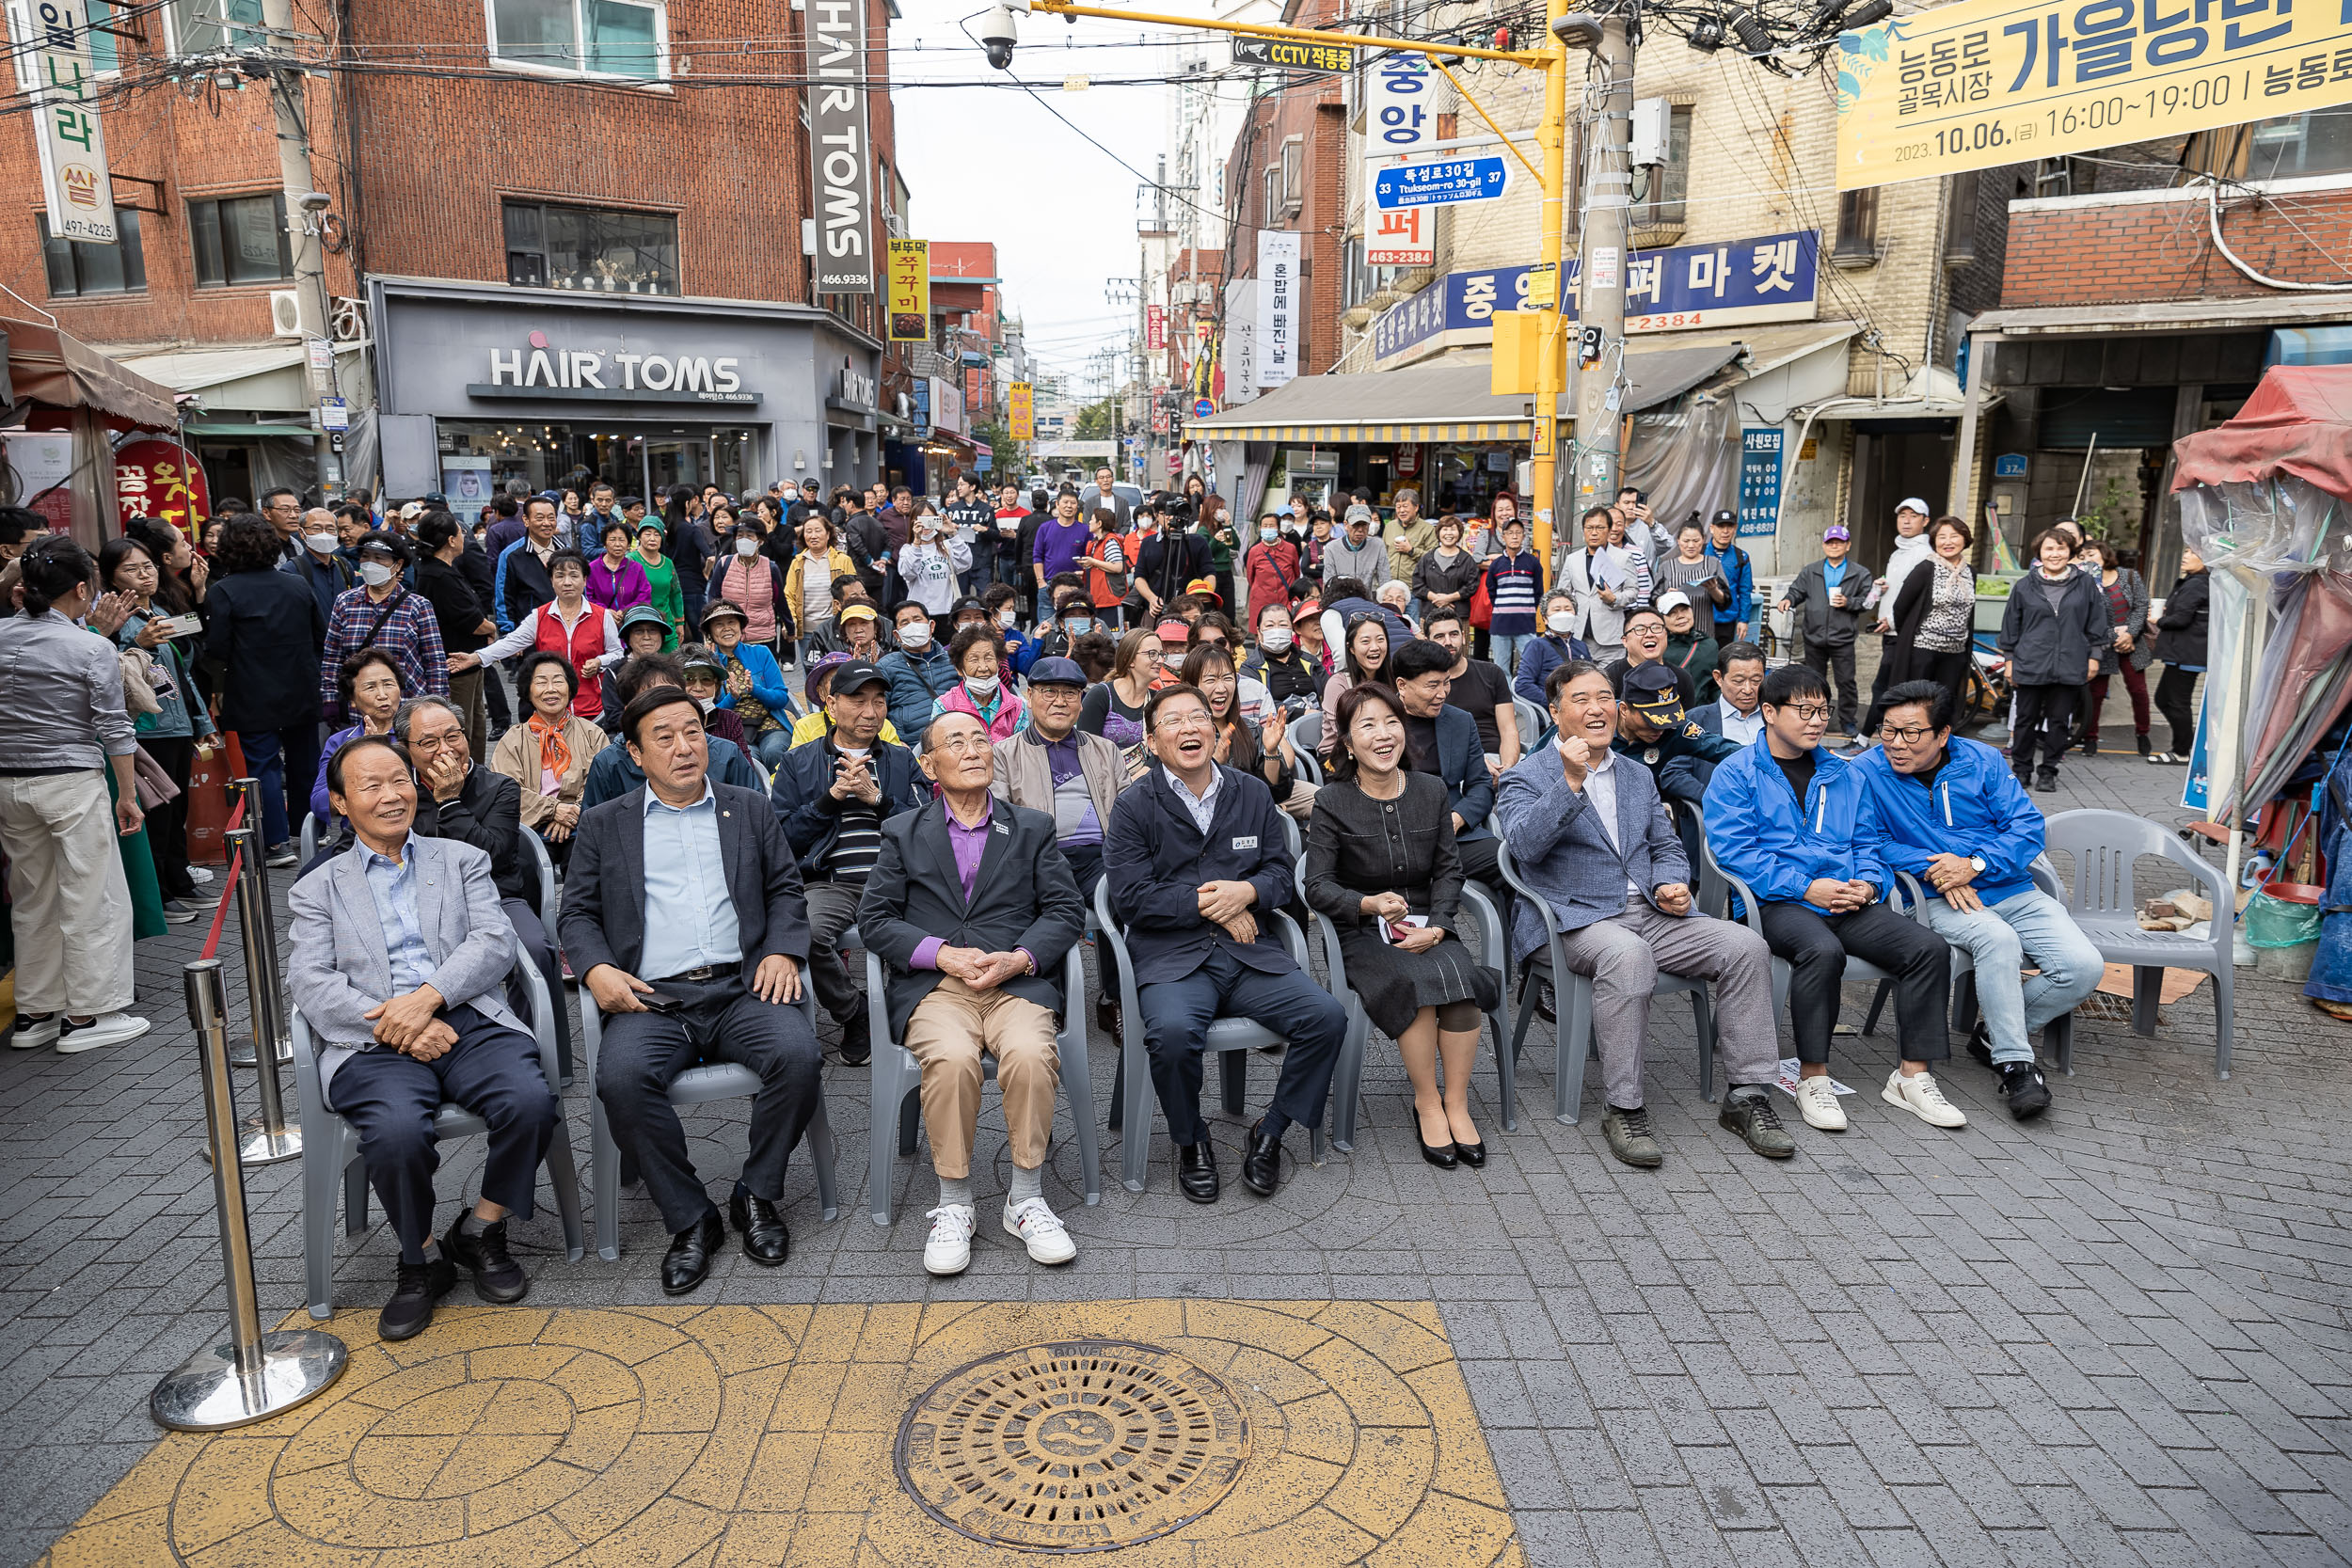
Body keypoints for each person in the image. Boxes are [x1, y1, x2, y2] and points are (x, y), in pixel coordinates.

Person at [285, 736, 560, 1339]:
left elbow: (493, 943)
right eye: (371, 786)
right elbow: (310, 980)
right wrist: (397, 1022)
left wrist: (426, 1000)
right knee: (398, 1131)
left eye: (399, 781)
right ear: (340, 803)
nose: (391, 796)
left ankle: (483, 1226)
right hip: (371, 1035)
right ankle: (421, 1258)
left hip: (464, 1013)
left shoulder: (459, 859)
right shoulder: (317, 886)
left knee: (531, 1101)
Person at [561, 685, 825, 1294]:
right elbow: (575, 914)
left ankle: (756, 1193)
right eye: (665, 736)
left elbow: (787, 888)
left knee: (799, 1055)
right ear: (634, 752)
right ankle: (690, 1216)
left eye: (693, 732)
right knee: (620, 1078)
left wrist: (783, 948)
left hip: (741, 986)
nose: (685, 747)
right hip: (652, 997)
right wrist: (597, 967)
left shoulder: (747, 807)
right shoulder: (605, 824)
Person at [1493, 662, 1791, 1166]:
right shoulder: (1526, 775)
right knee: (1628, 955)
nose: (1596, 708)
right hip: (1573, 919)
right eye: (1581, 699)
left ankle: (1747, 1094)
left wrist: (1669, 882)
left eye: (1605, 697)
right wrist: (1570, 781)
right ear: (1555, 710)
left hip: (1649, 912)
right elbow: (1525, 847)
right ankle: (1623, 1105)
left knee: (1746, 946)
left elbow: (1666, 845)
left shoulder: (1635, 774)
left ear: (1619, 707)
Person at [857, 709, 1087, 1275]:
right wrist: (940, 953)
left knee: (1032, 1053)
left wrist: (1020, 958)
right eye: (954, 742)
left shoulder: (1031, 827)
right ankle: (955, 1201)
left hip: (1016, 982)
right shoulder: (903, 832)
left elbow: (1065, 909)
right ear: (929, 763)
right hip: (937, 985)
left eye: (980, 739)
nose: (972, 749)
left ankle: (1025, 1196)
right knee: (954, 1058)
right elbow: (876, 919)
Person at [1104, 684, 1350, 1202]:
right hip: (1174, 959)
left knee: (1326, 1017)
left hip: (1248, 952)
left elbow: (1283, 875)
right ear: (1151, 741)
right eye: (1172, 721)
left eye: (1198, 717)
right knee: (1170, 1036)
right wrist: (1209, 903)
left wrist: (1249, 891)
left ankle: (1272, 1131)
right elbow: (1130, 898)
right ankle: (1192, 1141)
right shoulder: (1133, 806)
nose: (1188, 728)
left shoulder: (1252, 792)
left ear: (1215, 731)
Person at [1703, 663, 1964, 1132]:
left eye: (1822, 710)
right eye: (1803, 710)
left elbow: (1867, 844)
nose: (1816, 720)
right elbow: (1738, 855)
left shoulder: (1843, 774)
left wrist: (1869, 884)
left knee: (1927, 948)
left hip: (1844, 899)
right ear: (1769, 712)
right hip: (1774, 904)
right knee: (1822, 952)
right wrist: (1805, 887)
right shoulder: (1737, 773)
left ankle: (1912, 1076)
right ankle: (1813, 1077)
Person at [1859, 680, 2104, 1119]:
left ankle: (1992, 1034)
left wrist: (1973, 865)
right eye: (1887, 730)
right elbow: (1869, 842)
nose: (1896, 744)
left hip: (2009, 887)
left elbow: (2027, 828)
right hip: (1931, 895)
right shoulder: (1865, 771)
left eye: (1911, 733)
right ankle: (2015, 1066)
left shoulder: (1985, 761)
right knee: (1998, 940)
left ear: (1943, 733)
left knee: (2083, 967)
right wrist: (1940, 869)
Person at [1304, 682, 1502, 1165]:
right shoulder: (1332, 801)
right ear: (1349, 743)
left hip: (1427, 923)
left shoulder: (1431, 791)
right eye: (1367, 725)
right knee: (1414, 980)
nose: (1384, 734)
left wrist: (1438, 925)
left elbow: (1448, 869)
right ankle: (1427, 1101)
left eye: (1391, 721)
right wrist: (1367, 903)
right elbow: (1318, 886)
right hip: (1364, 930)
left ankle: (1456, 1102)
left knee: (1461, 979)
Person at [0, 536, 151, 1053]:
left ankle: (35, 1012)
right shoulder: (91, 647)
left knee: (32, 897)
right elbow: (114, 728)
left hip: (10, 783)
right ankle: (89, 1015)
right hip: (70, 780)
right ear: (83, 587)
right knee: (93, 897)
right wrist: (127, 794)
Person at [398, 693, 574, 1075]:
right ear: (407, 749)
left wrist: (448, 803)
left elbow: (492, 855)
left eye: (453, 736)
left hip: (496, 896)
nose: (445, 750)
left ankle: (543, 1057)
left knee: (535, 948)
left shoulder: (499, 787)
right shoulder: (399, 791)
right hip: (419, 900)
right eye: (429, 743)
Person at [771, 658, 926, 1065]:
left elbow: (925, 827)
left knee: (932, 929)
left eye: (879, 702)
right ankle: (855, 1014)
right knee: (807, 934)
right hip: (831, 881)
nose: (870, 712)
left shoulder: (899, 759)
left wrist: (877, 799)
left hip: (896, 877)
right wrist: (831, 799)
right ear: (831, 704)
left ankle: (904, 1012)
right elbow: (782, 837)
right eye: (857, 701)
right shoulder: (798, 761)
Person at [100, 535, 217, 917]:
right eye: (131, 569)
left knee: (178, 808)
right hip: (146, 729)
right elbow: (106, 669)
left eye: (147, 566)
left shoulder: (163, 610)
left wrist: (201, 720)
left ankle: (180, 881)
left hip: (179, 724)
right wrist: (139, 643)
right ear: (112, 577)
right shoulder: (110, 622)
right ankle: (160, 894)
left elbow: (184, 675)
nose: (144, 575)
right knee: (157, 815)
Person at [993, 656, 1124, 901]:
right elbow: (1000, 820)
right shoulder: (1004, 754)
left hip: (1101, 859)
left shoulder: (1105, 750)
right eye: (1049, 692)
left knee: (1126, 894)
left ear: (1081, 701)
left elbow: (1129, 811)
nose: (1060, 702)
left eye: (1070, 693)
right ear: (1029, 697)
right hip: (1039, 860)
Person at [453, 548, 624, 723]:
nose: (567, 582)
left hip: (593, 711)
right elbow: (512, 642)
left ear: (585, 580)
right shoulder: (540, 616)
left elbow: (618, 654)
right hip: (551, 710)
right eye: (559, 576)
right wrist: (475, 658)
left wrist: (599, 662)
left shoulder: (602, 616)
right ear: (551, 581)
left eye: (574, 575)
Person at [1998, 528, 2108, 792]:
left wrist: (2094, 656)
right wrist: (2010, 660)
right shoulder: (2025, 585)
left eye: (2061, 548)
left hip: (2070, 662)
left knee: (2060, 721)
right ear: (2040, 553)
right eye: (2049, 549)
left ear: (2070, 552)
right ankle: (2022, 770)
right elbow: (2010, 626)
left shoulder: (2085, 584)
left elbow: (2097, 623)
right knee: (2025, 720)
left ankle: (2048, 771)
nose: (2055, 554)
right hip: (2030, 662)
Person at [1387, 638, 1502, 885]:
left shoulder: (1460, 721)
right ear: (1402, 685)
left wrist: (1458, 817)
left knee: (1509, 863)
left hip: (1455, 836)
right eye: (1432, 685)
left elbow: (1481, 784)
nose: (1442, 694)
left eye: (1446, 682)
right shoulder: (1380, 722)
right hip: (1396, 839)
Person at [580, 653, 766, 806]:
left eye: (674, 696)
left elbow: (757, 817)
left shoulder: (726, 754)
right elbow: (596, 834)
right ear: (629, 711)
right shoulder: (609, 763)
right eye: (653, 701)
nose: (667, 707)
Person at [489, 650, 608, 866]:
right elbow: (506, 790)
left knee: (587, 863)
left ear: (569, 687)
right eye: (541, 682)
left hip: (583, 824)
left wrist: (572, 815)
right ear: (529, 690)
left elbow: (601, 783)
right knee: (525, 867)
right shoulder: (513, 739)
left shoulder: (593, 733)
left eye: (558, 681)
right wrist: (553, 810)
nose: (550, 689)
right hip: (530, 826)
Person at [1181, 641, 1314, 824]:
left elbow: (1275, 788)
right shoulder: (1183, 735)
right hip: (1211, 822)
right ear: (1192, 686)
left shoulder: (1249, 729)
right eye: (1211, 680)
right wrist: (1213, 765)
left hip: (1255, 812)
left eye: (1228, 678)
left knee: (1326, 803)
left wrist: (1271, 751)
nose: (1221, 688)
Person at [319, 533, 447, 716]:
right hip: (360, 711)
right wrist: (330, 699)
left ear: (398, 565)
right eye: (365, 556)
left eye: (379, 558)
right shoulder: (345, 602)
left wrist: (437, 707)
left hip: (407, 710)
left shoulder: (418, 606)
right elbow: (332, 657)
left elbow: (435, 663)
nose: (370, 563)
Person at [1877, 515, 1978, 737]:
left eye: (1954, 536)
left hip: (1955, 652)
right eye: (1941, 537)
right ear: (1933, 541)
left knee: (1945, 703)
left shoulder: (1970, 572)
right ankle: (1912, 743)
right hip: (1923, 649)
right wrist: (1909, 636)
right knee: (1918, 703)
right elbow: (1900, 606)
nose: (1948, 541)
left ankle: (1941, 747)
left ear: (1965, 539)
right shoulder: (1925, 569)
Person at [1776, 524, 1870, 744]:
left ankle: (1848, 721)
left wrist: (1849, 602)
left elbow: (1868, 600)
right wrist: (1788, 599)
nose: (1834, 546)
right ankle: (1812, 715)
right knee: (1812, 681)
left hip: (1843, 637)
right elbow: (1797, 590)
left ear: (1847, 545)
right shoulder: (1811, 570)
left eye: (1839, 542)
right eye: (1830, 542)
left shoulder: (1859, 573)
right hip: (1814, 635)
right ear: (1824, 545)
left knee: (1846, 681)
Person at [414, 513, 498, 756]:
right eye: (460, 533)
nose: (464, 537)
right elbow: (471, 620)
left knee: (476, 728)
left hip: (470, 661)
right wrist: (491, 629)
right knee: (462, 733)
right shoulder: (437, 576)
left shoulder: (445, 569)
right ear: (451, 540)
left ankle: (477, 782)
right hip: (456, 665)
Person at [310, 648, 410, 843]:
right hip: (358, 840)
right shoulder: (340, 742)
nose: (382, 695)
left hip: (417, 832)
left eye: (389, 684)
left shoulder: (418, 734)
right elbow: (320, 803)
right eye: (370, 687)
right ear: (353, 701)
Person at [1422, 608, 1520, 780]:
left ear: (1464, 636)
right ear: (1426, 642)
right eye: (1439, 637)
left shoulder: (1492, 673)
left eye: (1453, 634)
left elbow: (1509, 730)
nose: (1448, 642)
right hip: (1449, 763)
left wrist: (1507, 770)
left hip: (1496, 758)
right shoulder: (1421, 683)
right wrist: (1476, 764)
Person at [2080, 540, 2153, 758]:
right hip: (2101, 644)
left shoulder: (2128, 576)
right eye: (2082, 557)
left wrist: (2130, 633)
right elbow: (2087, 616)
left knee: (2138, 691)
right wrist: (2114, 637)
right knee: (2096, 694)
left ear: (2104, 554)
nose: (2087, 559)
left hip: (2132, 642)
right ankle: (2089, 737)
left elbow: (2141, 604)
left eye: (2091, 554)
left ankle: (2143, 734)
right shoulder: (2084, 582)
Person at [1870, 497, 1937, 708]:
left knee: (1886, 686)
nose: (1906, 521)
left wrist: (1892, 619)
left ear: (1926, 521)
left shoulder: (1925, 554)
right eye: (1902, 516)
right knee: (1889, 684)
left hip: (1904, 631)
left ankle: (1869, 735)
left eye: (1913, 516)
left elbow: (1918, 597)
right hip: (1890, 630)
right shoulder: (1898, 552)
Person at [2149, 546, 2209, 765]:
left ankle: (2182, 751)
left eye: (2193, 553)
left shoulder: (2198, 584)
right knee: (2164, 699)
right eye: (2184, 551)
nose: (2185, 556)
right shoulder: (2192, 581)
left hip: (2187, 654)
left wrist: (2159, 621)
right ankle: (2185, 746)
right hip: (2180, 652)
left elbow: (2181, 618)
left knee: (2176, 702)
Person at [707, 509, 787, 655]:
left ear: (760, 541)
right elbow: (713, 599)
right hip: (729, 638)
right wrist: (709, 632)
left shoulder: (771, 567)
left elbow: (780, 601)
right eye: (740, 536)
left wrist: (789, 627)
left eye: (749, 536)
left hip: (762, 638)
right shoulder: (724, 564)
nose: (743, 540)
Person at [1559, 506, 1632, 663]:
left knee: (1609, 683)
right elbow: (1562, 594)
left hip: (1610, 638)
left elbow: (1633, 591)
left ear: (1609, 529)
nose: (1594, 532)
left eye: (1600, 528)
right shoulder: (1573, 559)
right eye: (1589, 528)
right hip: (1578, 636)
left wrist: (1614, 599)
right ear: (1583, 530)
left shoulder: (1623, 558)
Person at [880, 598, 957, 743]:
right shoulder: (886, 666)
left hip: (954, 741)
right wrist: (895, 744)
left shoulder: (954, 661)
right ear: (897, 635)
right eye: (905, 623)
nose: (912, 626)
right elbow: (877, 711)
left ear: (931, 626)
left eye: (917, 619)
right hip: (910, 747)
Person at [932, 624, 1026, 740]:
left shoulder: (1016, 706)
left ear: (998, 663)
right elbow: (942, 749)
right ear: (959, 669)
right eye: (974, 660)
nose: (983, 668)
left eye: (989, 658)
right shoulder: (944, 706)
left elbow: (1022, 750)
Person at [784, 514, 856, 664]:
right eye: (808, 531)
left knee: (839, 671)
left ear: (828, 534)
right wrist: (791, 623)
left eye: (818, 530)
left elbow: (854, 595)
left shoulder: (843, 560)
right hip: (808, 632)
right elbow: (789, 596)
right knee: (811, 674)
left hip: (837, 630)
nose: (813, 535)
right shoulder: (797, 563)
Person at [1078, 626, 1163, 751]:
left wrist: (1145, 769)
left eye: (1161, 654)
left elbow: (1161, 748)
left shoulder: (1158, 700)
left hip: (1148, 770)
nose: (1160, 660)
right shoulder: (1101, 695)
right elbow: (1085, 747)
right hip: (1102, 769)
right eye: (1152, 654)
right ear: (1129, 659)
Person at [1479, 516, 1543, 676]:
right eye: (1510, 533)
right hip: (1500, 624)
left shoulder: (1533, 563)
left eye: (1518, 533)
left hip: (1525, 624)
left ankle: (1527, 700)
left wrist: (1527, 609)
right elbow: (1491, 590)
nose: (1514, 536)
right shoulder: (1496, 564)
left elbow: (1538, 591)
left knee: (1532, 666)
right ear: (1503, 536)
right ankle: (1506, 701)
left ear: (1523, 536)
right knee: (1501, 669)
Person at [493, 495, 564, 637]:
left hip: (566, 631)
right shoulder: (511, 555)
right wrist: (509, 634)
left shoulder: (567, 552)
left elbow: (582, 592)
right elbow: (504, 598)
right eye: (539, 518)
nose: (547, 523)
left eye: (551, 518)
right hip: (530, 634)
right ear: (526, 520)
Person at [1512, 588, 1593, 711]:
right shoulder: (1537, 646)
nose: (1563, 613)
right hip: (1553, 713)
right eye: (1556, 610)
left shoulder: (1581, 646)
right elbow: (1523, 685)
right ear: (1545, 618)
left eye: (1568, 609)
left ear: (1575, 614)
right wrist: (1556, 703)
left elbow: (1591, 678)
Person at [897, 509, 971, 641]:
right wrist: (917, 542)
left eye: (930, 520)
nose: (926, 525)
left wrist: (953, 533)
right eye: (921, 520)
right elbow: (908, 573)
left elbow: (965, 563)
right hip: (920, 615)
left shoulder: (947, 546)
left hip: (947, 612)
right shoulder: (908, 549)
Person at [284, 506, 357, 624]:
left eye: (330, 529)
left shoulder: (344, 566)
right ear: (302, 533)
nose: (324, 534)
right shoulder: (291, 570)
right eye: (317, 528)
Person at [1654, 520, 1728, 628]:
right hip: (1674, 632)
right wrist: (1665, 597)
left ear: (1703, 539)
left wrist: (1713, 590)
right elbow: (1654, 598)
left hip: (1704, 627)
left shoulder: (1713, 563)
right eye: (1686, 541)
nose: (1691, 545)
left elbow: (1725, 601)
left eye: (1696, 540)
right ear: (1678, 541)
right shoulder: (1666, 566)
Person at [1692, 641, 1768, 746]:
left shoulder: (1776, 715)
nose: (1748, 690)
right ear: (1718, 678)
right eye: (1738, 681)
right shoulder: (1696, 721)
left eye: (1756, 680)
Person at [1703, 509, 1756, 648]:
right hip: (1699, 617)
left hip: (1726, 620)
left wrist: (1744, 620)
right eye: (1720, 526)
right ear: (1712, 528)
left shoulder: (1741, 557)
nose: (1725, 531)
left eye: (1729, 526)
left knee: (1722, 660)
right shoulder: (1700, 552)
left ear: (1735, 528)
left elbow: (1745, 591)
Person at [1240, 512, 1299, 631]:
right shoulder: (1254, 551)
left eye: (1271, 526)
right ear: (1260, 528)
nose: (1268, 529)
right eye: (1265, 526)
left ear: (1278, 529)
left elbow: (1296, 573)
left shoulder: (1290, 548)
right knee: (1261, 632)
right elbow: (1250, 578)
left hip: (1285, 599)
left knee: (1286, 631)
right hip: (1261, 600)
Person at [1657, 593, 1720, 703]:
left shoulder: (1709, 645)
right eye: (1672, 613)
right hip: (1667, 714)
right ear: (1662, 619)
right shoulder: (1658, 649)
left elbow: (1715, 687)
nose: (1680, 616)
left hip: (1701, 714)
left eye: (1684, 610)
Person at [629, 514, 681, 646]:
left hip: (666, 625)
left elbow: (675, 594)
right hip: (641, 625)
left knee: (671, 664)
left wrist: (679, 622)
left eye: (657, 534)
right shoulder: (631, 561)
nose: (652, 538)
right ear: (639, 536)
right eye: (647, 534)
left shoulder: (668, 563)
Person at [1324, 612, 1391, 713]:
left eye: (1380, 639)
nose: (1375, 647)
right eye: (1365, 641)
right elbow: (1340, 728)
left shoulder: (1394, 677)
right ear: (1351, 648)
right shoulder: (1339, 684)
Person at [586, 517, 652, 618]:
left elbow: (644, 595)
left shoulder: (636, 568)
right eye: (612, 540)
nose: (617, 544)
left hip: (630, 620)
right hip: (601, 620)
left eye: (622, 540)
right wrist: (605, 611)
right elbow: (589, 597)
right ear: (604, 544)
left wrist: (626, 610)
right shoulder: (592, 568)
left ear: (628, 544)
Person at [1324, 507, 1390, 588]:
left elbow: (1385, 579)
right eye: (1356, 525)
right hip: (1341, 598)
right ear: (1346, 525)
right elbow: (1329, 582)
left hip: (1367, 599)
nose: (1360, 530)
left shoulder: (1378, 545)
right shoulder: (1331, 548)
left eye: (1364, 525)